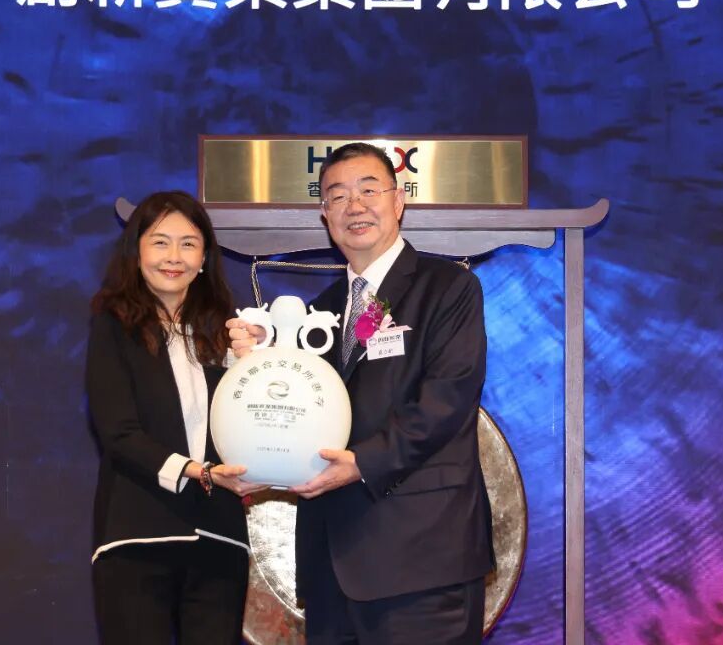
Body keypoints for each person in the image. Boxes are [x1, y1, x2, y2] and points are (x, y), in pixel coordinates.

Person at [229, 143, 494, 644]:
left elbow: (447, 400)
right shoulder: (325, 309)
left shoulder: (447, 288)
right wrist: (260, 359)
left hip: (422, 561)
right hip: (332, 567)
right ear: (324, 214)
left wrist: (361, 463)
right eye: (338, 195)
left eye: (369, 190)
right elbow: (299, 407)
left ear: (398, 201)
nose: (355, 206)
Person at [87, 190, 259, 644]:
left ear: (204, 257)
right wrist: (196, 471)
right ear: (137, 251)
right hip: (139, 533)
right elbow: (117, 430)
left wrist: (257, 363)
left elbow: (254, 422)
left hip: (219, 537)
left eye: (188, 244)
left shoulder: (226, 333)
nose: (174, 257)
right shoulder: (113, 323)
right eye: (160, 242)